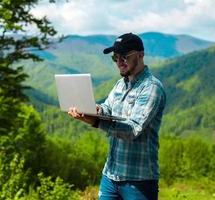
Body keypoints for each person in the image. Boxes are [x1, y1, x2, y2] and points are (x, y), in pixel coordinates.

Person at [68, 33, 166, 200]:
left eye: (124, 57)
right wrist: (95, 110)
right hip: (110, 175)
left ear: (140, 55)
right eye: (115, 58)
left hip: (139, 180)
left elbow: (132, 130)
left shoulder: (151, 88)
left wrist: (96, 122)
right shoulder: (120, 84)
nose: (119, 62)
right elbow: (108, 108)